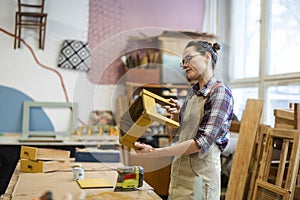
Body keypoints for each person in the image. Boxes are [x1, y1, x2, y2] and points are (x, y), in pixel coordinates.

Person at [134, 40, 234, 200]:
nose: (185, 65)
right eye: (183, 62)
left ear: (207, 57)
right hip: (179, 175)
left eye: (189, 58)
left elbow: (200, 143)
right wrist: (175, 117)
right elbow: (177, 136)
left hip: (200, 179)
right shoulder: (192, 93)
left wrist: (155, 152)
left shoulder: (220, 94)